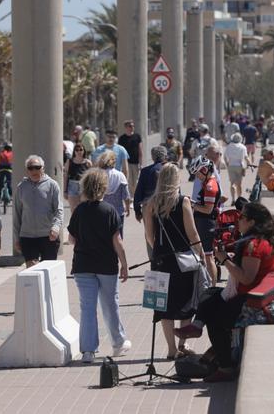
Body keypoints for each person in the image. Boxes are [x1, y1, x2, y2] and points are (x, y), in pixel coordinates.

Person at [174, 203, 274, 382]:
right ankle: (197, 326)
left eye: (242, 217)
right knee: (210, 294)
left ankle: (226, 366)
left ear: (251, 222)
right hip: (256, 296)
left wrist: (224, 260)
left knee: (216, 318)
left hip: (253, 302)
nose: (238, 220)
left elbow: (246, 278)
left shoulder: (254, 245)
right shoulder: (262, 240)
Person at [68, 168, 131, 363]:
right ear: (103, 188)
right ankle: (118, 342)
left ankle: (88, 351)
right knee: (110, 304)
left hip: (83, 264)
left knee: (87, 307)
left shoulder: (79, 210)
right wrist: (125, 264)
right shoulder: (109, 211)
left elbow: (71, 239)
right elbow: (117, 242)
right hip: (106, 265)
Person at [143, 164, 204, 359]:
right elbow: (192, 232)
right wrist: (200, 253)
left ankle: (171, 348)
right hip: (182, 260)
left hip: (161, 260)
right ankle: (182, 345)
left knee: (163, 305)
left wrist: (160, 250)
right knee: (186, 303)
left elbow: (149, 236)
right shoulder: (183, 201)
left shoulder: (150, 204)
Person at [13, 155, 64, 268]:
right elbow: (17, 214)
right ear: (27, 170)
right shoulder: (21, 187)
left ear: (43, 168)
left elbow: (59, 210)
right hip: (27, 236)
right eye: (31, 168)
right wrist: (17, 238)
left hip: (48, 235)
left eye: (37, 167)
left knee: (47, 270)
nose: (34, 170)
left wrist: (56, 227)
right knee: (32, 269)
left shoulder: (52, 185)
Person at [189, 157, 221, 285]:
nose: (197, 176)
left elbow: (208, 209)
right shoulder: (208, 183)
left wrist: (191, 205)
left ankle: (213, 285)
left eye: (198, 173)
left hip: (206, 224)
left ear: (204, 170)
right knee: (206, 256)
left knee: (208, 257)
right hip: (204, 223)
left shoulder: (209, 186)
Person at [96, 151, 132, 238]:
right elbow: (126, 196)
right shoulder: (120, 175)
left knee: (102, 237)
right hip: (118, 211)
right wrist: (127, 208)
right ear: (114, 161)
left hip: (100, 211)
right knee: (118, 236)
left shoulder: (97, 175)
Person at [132, 146, 167, 223]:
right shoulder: (172, 169)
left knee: (149, 234)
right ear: (165, 156)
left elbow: (138, 192)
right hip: (167, 207)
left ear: (152, 157)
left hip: (149, 208)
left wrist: (137, 211)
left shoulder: (145, 171)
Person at [63, 142, 92, 214]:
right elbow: (65, 176)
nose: (79, 151)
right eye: (77, 150)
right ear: (74, 151)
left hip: (84, 186)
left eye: (81, 149)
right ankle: (74, 225)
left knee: (84, 210)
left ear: (84, 151)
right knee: (74, 211)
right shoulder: (69, 161)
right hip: (72, 186)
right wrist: (65, 191)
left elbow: (91, 178)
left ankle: (83, 225)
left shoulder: (88, 162)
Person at [224, 133, 251, 201]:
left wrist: (227, 164)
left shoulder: (229, 146)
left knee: (232, 182)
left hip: (231, 165)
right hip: (239, 166)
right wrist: (250, 164)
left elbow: (225, 157)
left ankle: (233, 199)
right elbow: (246, 157)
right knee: (239, 184)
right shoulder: (242, 147)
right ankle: (239, 198)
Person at [118, 120, 143, 190]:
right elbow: (120, 152)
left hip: (135, 163)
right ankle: (131, 198)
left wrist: (141, 164)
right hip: (126, 163)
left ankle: (135, 197)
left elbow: (140, 150)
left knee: (136, 182)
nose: (132, 127)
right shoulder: (122, 138)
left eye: (133, 126)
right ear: (126, 127)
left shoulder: (137, 136)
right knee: (128, 181)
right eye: (130, 126)